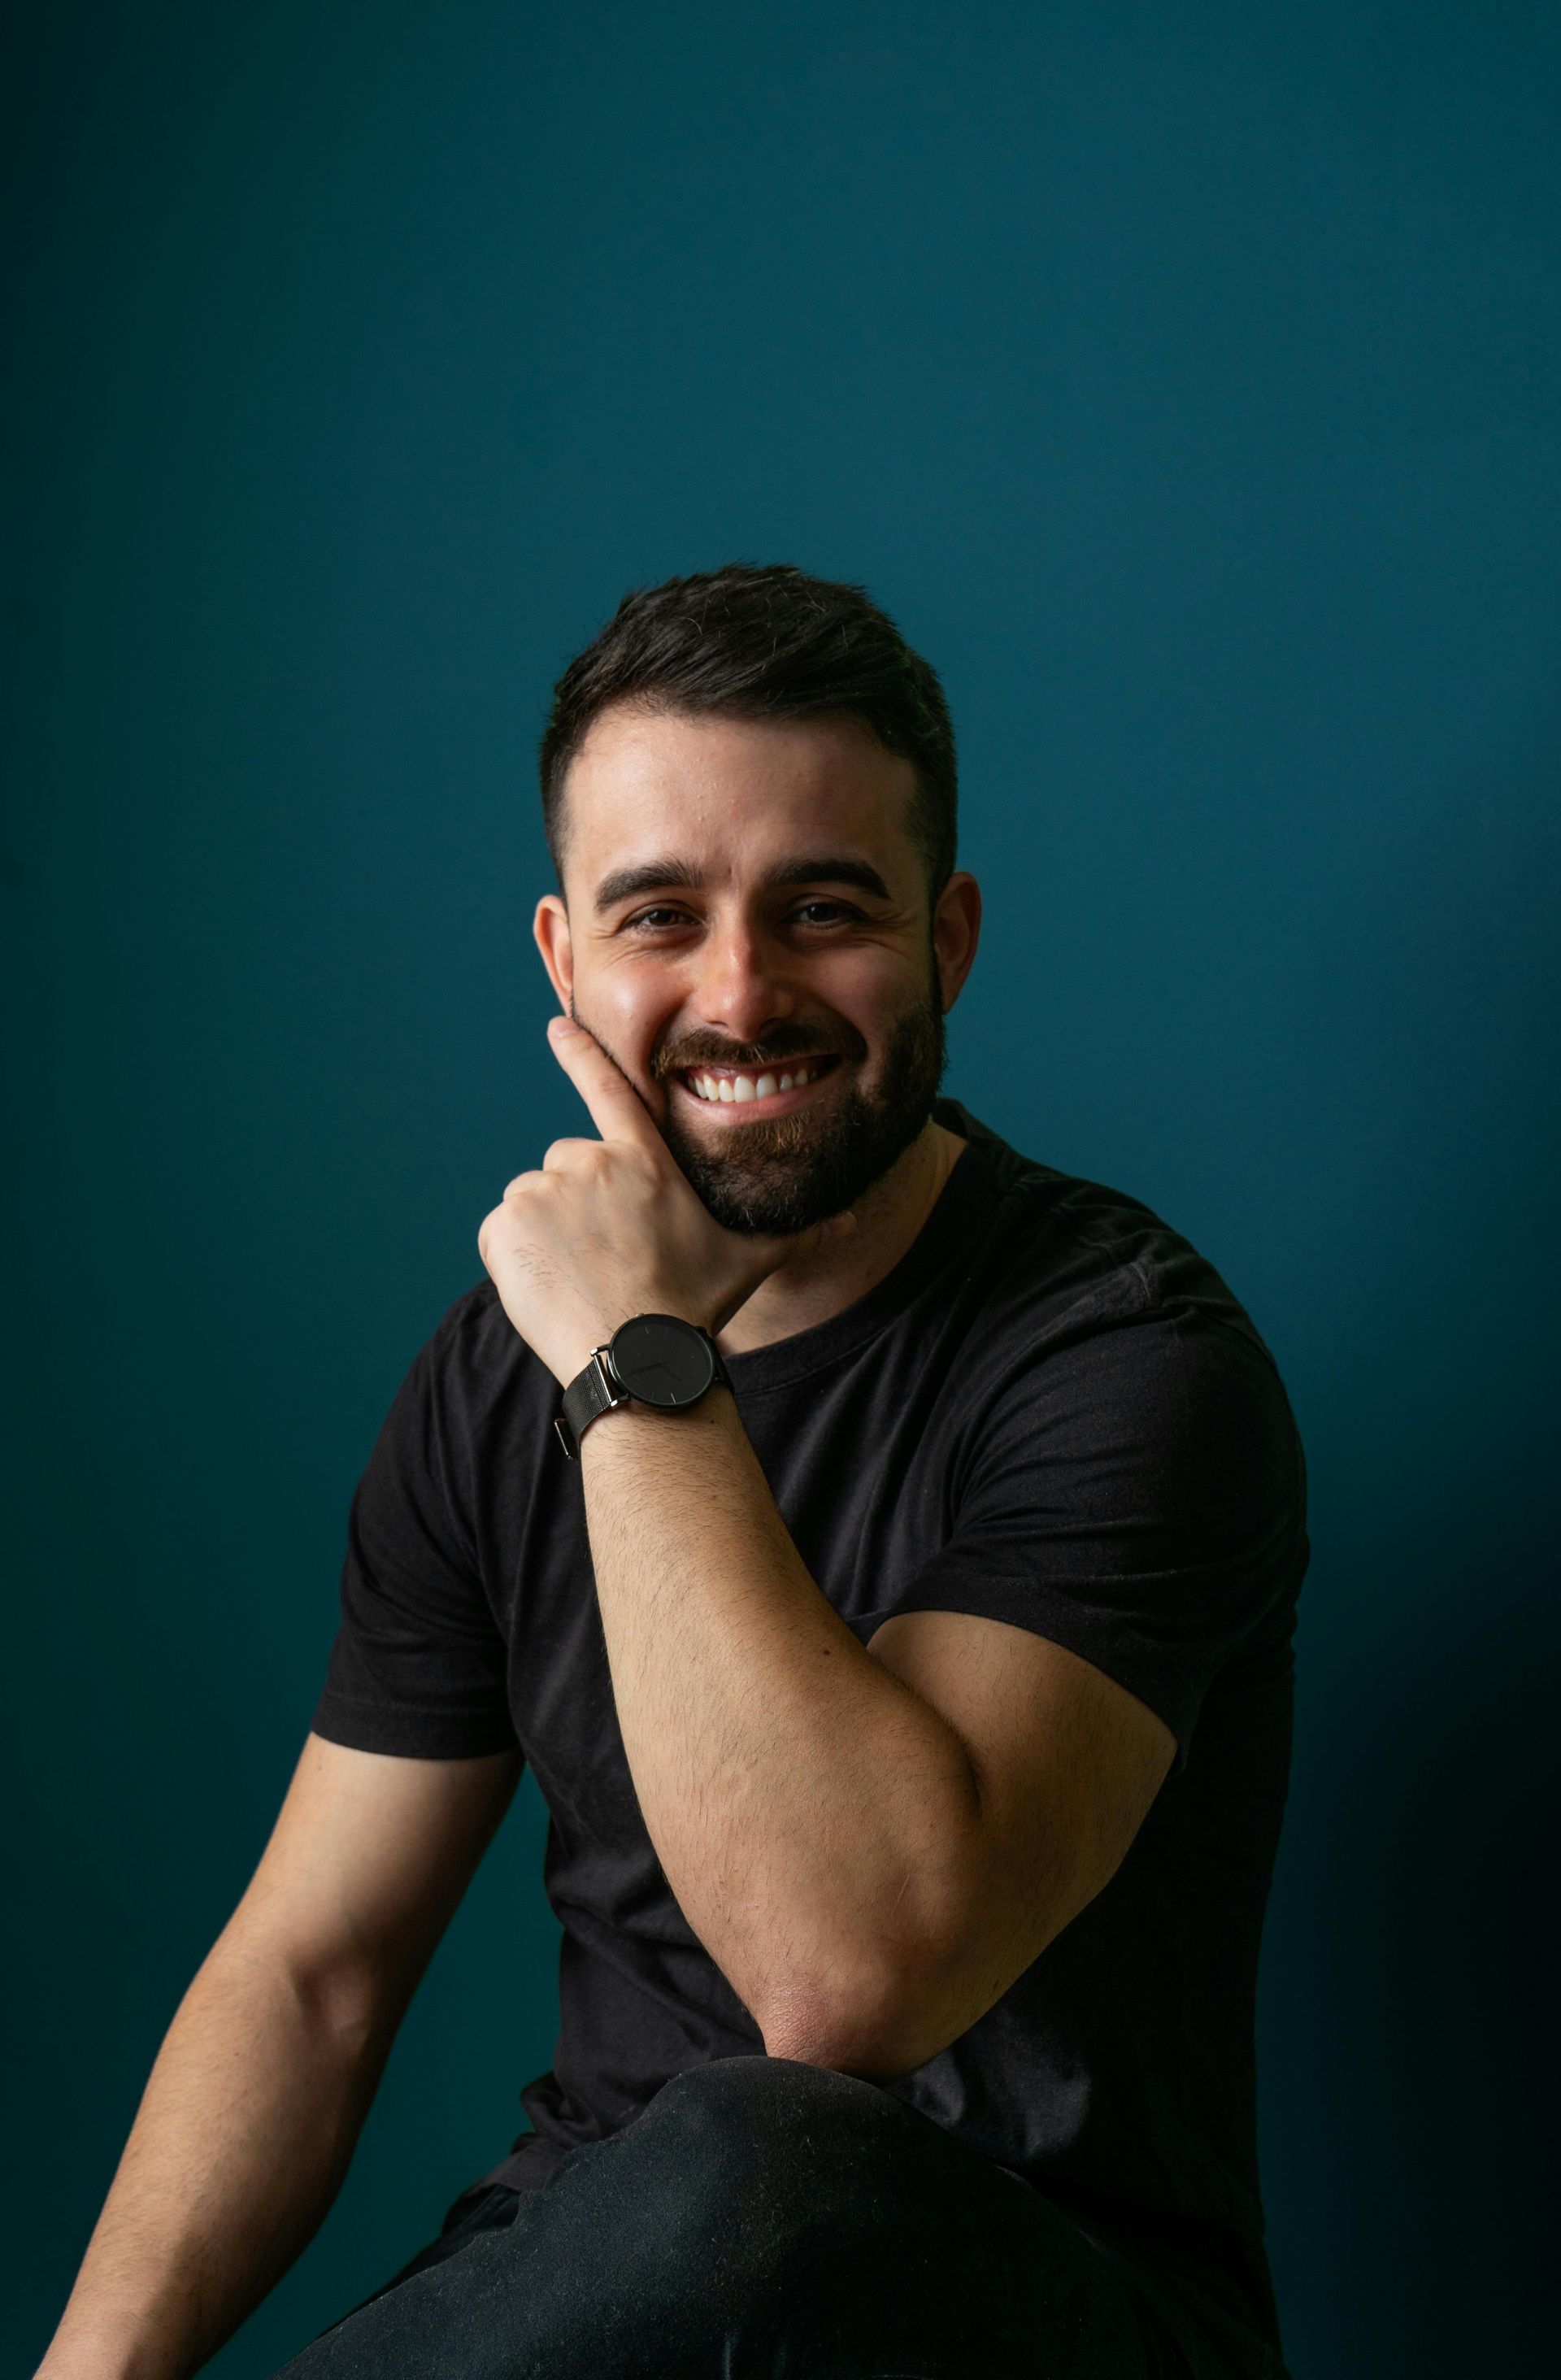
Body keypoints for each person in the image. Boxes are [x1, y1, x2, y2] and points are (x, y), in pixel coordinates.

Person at [38, 565, 1307, 2380]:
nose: (741, 994)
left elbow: (844, 1984)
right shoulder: (488, 1383)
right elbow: (310, 1977)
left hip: (1028, 2303)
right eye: (661, 918)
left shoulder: (1127, 1359)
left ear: (946, 941)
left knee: (759, 2142)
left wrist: (638, 1375)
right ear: (565, 961)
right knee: (671, 2181)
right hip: (602, 2303)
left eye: (823, 910)